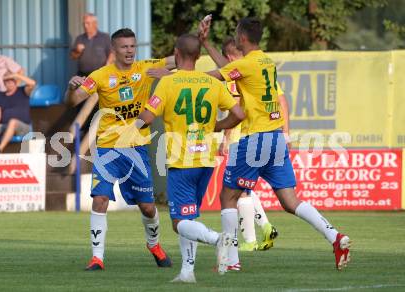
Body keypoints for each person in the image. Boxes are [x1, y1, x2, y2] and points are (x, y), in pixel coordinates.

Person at [199, 16, 351, 271]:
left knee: (227, 197)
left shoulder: (247, 64)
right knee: (291, 201)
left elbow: (215, 76)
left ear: (243, 37)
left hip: (255, 139)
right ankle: (334, 236)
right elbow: (229, 69)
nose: (235, 37)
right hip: (276, 138)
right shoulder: (266, 62)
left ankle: (230, 261)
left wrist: (179, 78)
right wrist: (206, 44)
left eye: (237, 34)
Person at [66, 28, 176, 271]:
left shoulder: (145, 68)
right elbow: (73, 101)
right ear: (113, 50)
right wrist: (71, 88)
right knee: (100, 199)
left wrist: (194, 48)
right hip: (107, 149)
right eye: (124, 47)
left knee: (147, 207)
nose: (129, 51)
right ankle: (97, 258)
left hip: (137, 149)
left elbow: (178, 60)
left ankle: (155, 245)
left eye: (132, 46)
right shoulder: (101, 75)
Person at [138, 33, 245, 282]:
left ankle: (218, 239)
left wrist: (127, 128)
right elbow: (239, 113)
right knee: (190, 216)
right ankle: (187, 272)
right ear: (198, 56)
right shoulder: (212, 83)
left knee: (178, 222)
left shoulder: (168, 83)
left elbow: (147, 117)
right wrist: (218, 126)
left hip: (181, 161)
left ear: (176, 54)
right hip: (206, 161)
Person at [220, 36, 290, 253]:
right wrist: (286, 132)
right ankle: (266, 226)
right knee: (245, 188)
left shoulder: (238, 73)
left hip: (244, 136)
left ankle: (249, 240)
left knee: (238, 193)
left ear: (229, 56)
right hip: (266, 133)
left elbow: (237, 107)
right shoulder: (262, 71)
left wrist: (225, 137)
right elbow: (282, 100)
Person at [0, 73, 35, 154]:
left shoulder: (23, 91)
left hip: (24, 127)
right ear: (4, 83)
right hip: (5, 126)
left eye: (12, 81)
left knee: (13, 122)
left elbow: (32, 83)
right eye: (7, 81)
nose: (10, 83)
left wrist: (16, 75)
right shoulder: (1, 96)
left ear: (15, 82)